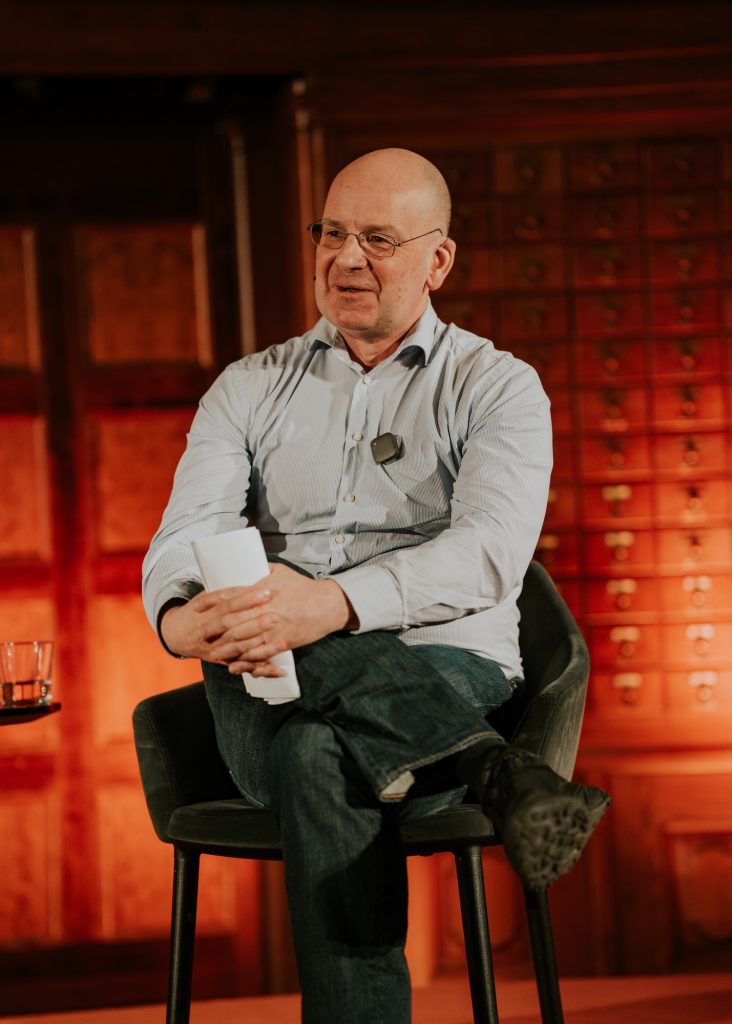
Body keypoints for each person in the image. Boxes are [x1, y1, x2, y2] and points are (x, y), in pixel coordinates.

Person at [142, 148, 609, 1024]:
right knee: (284, 671)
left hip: (448, 668)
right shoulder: (248, 388)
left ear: (438, 260)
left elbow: (490, 554)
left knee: (317, 752)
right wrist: (177, 617)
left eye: (379, 240)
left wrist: (331, 604)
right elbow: (184, 534)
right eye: (332, 233)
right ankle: (489, 766)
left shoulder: (498, 387)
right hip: (265, 673)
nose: (346, 259)